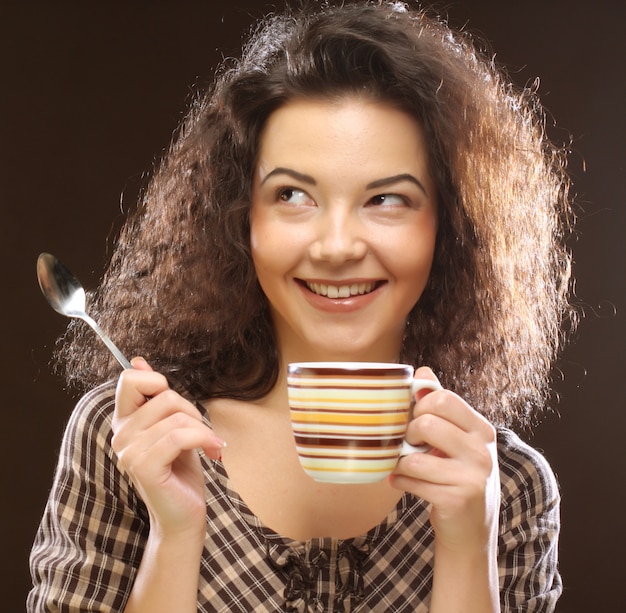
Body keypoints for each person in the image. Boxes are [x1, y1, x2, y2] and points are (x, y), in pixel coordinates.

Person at [28, 1, 577, 611]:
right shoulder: (131, 439)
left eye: (387, 199)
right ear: (240, 218)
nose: (336, 247)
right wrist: (176, 533)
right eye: (292, 194)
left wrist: (470, 545)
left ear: (450, 228)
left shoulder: (509, 484)